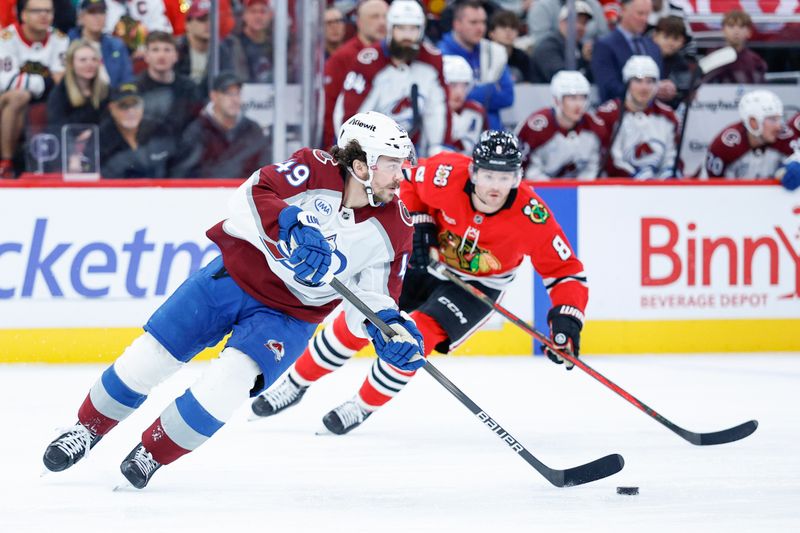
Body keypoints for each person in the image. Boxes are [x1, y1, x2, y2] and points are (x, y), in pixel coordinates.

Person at [41, 111, 421, 489]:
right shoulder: (313, 168)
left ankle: (153, 452)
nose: (400, 176)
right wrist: (290, 223)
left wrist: (388, 328)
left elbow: (374, 298)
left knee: (230, 381)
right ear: (360, 165)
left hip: (289, 317)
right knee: (151, 356)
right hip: (233, 278)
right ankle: (86, 429)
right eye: (392, 165)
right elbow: (251, 194)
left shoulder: (396, 227)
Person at [250, 131, 589, 435]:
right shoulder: (446, 173)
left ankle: (362, 405)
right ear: (473, 172)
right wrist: (422, 223)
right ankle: (296, 382)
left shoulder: (533, 217)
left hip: (476, 288)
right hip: (426, 260)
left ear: (518, 178)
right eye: (488, 175)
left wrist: (567, 318)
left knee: (415, 339)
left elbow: (565, 271)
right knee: (363, 317)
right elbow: (406, 183)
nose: (495, 187)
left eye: (505, 177)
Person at [333, 0, 449, 157]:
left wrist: (436, 147)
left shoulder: (432, 60)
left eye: (413, 28)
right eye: (401, 28)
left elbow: (437, 110)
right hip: (371, 148)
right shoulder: (369, 61)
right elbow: (349, 113)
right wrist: (354, 150)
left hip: (413, 150)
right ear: (390, 28)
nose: (407, 36)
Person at [0, 0, 69, 179]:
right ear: (23, 15)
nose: (44, 15)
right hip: (5, 100)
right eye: (37, 11)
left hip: (46, 100)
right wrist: (45, 82)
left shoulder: (60, 39)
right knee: (19, 96)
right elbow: (6, 82)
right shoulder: (6, 38)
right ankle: (5, 163)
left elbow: (61, 81)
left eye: (48, 11)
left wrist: (31, 82)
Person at [595, 55, 679, 178]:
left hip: (659, 186)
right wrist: (636, 178)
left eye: (649, 81)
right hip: (618, 186)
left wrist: (668, 175)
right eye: (638, 81)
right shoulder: (607, 115)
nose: (644, 87)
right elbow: (608, 161)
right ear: (627, 83)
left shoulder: (668, 116)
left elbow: (672, 157)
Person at [174, 72, 269, 178]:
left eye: (237, 93)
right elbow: (184, 173)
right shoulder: (198, 131)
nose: (234, 100)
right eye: (228, 94)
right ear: (214, 96)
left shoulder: (252, 129)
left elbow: (264, 171)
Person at [515, 70, 608, 180]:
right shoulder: (536, 127)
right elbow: (524, 169)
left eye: (582, 98)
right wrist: (555, 188)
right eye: (572, 98)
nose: (579, 104)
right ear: (557, 100)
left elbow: (593, 168)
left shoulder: (593, 126)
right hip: (541, 187)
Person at [438, 0, 515, 131]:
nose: (480, 28)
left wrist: (470, 93)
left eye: (483, 22)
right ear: (457, 24)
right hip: (455, 133)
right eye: (473, 22)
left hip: (492, 134)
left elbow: (508, 97)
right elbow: (445, 98)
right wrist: (490, 88)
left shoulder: (494, 52)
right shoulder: (440, 54)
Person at [704, 90, 800, 191]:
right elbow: (709, 188)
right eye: (772, 119)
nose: (778, 126)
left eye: (779, 119)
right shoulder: (725, 146)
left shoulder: (785, 138)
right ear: (753, 122)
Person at [322, 0, 388, 147]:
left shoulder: (395, 57)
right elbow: (329, 109)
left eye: (385, 17)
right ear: (359, 21)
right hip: (353, 145)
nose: (382, 22)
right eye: (374, 16)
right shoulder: (343, 57)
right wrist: (333, 151)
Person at [590, 0, 672, 104]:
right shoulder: (604, 46)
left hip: (652, 112)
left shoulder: (653, 46)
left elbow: (658, 79)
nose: (644, 19)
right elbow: (608, 87)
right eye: (640, 13)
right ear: (623, 10)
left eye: (647, 14)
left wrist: (665, 89)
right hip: (619, 111)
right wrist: (649, 91)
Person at [97, 83, 179, 178]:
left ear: (143, 106)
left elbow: (176, 166)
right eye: (124, 106)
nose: (131, 111)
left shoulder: (160, 130)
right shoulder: (100, 138)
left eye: (136, 105)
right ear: (112, 108)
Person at [136, 31, 203, 135]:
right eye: (155, 50)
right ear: (146, 56)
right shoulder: (135, 89)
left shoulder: (189, 88)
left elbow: (197, 124)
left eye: (167, 50)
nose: (161, 55)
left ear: (176, 56)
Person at [47, 39, 110, 132]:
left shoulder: (105, 90)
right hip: (69, 140)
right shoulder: (60, 93)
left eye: (94, 59)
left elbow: (110, 123)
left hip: (100, 139)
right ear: (71, 64)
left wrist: (93, 133)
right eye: (83, 60)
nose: (90, 64)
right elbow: (57, 128)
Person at [68, 0, 134, 88]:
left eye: (101, 12)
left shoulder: (116, 45)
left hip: (115, 94)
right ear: (81, 17)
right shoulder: (69, 43)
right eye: (92, 12)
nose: (97, 17)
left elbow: (127, 79)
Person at [530, 0, 594, 83]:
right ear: (562, 23)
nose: (580, 27)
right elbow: (561, 79)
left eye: (584, 23)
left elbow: (590, 79)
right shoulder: (548, 47)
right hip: (543, 91)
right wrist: (583, 61)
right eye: (576, 21)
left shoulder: (580, 47)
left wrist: (590, 61)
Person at [705, 10, 767, 85]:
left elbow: (760, 87)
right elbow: (705, 84)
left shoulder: (756, 61)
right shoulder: (714, 56)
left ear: (749, 32)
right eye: (731, 26)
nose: (736, 31)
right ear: (723, 30)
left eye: (741, 27)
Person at [219, 0, 274, 83]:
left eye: (262, 11)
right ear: (244, 15)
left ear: (270, 15)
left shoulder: (276, 45)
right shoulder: (232, 44)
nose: (258, 16)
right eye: (253, 11)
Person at [443, 54, 487, 155]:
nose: (459, 93)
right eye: (453, 85)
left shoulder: (476, 111)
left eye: (464, 85)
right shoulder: (430, 113)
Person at [650, 15, 691, 109]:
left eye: (675, 39)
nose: (670, 43)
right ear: (655, 36)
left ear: (683, 41)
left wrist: (672, 91)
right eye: (666, 37)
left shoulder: (682, 64)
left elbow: (684, 90)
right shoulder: (643, 58)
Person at [487, 10, 533, 83]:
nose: (508, 31)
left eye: (513, 27)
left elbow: (528, 85)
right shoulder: (483, 56)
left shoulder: (523, 58)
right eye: (503, 27)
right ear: (491, 33)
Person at [176, 0, 211, 86]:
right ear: (187, 24)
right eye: (202, 19)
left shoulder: (223, 50)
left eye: (211, 19)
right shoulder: (177, 51)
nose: (208, 24)